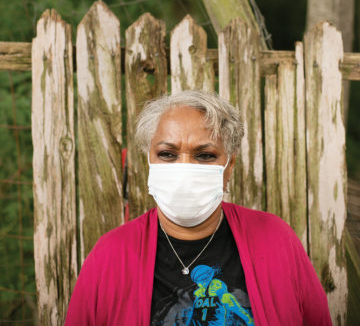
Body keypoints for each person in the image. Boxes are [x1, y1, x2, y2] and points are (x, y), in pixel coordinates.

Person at [65, 90, 332, 325]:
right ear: (149, 161)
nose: (184, 169)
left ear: (229, 167)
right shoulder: (111, 254)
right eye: (167, 154)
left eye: (205, 155)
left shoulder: (275, 239)